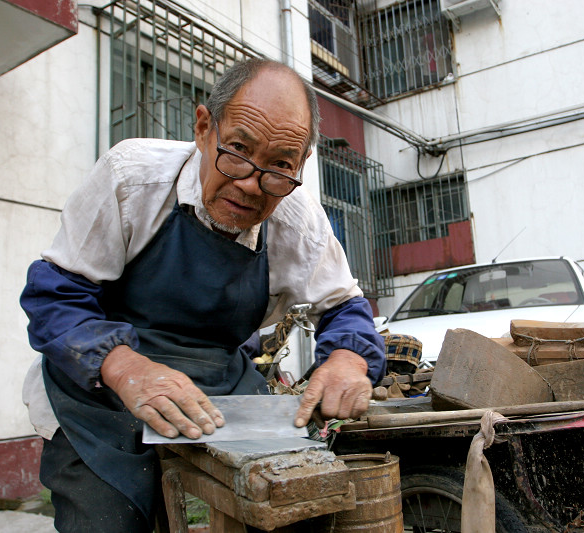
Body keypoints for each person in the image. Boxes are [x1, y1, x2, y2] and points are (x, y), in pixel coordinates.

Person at [19, 58, 386, 533]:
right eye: (237, 150)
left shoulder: (299, 222)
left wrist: (347, 361)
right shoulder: (133, 178)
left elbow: (346, 308)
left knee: (298, 503)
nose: (251, 185)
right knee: (107, 520)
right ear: (203, 127)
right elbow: (55, 297)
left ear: (300, 165)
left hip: (218, 391)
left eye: (279, 167)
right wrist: (127, 368)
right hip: (101, 392)